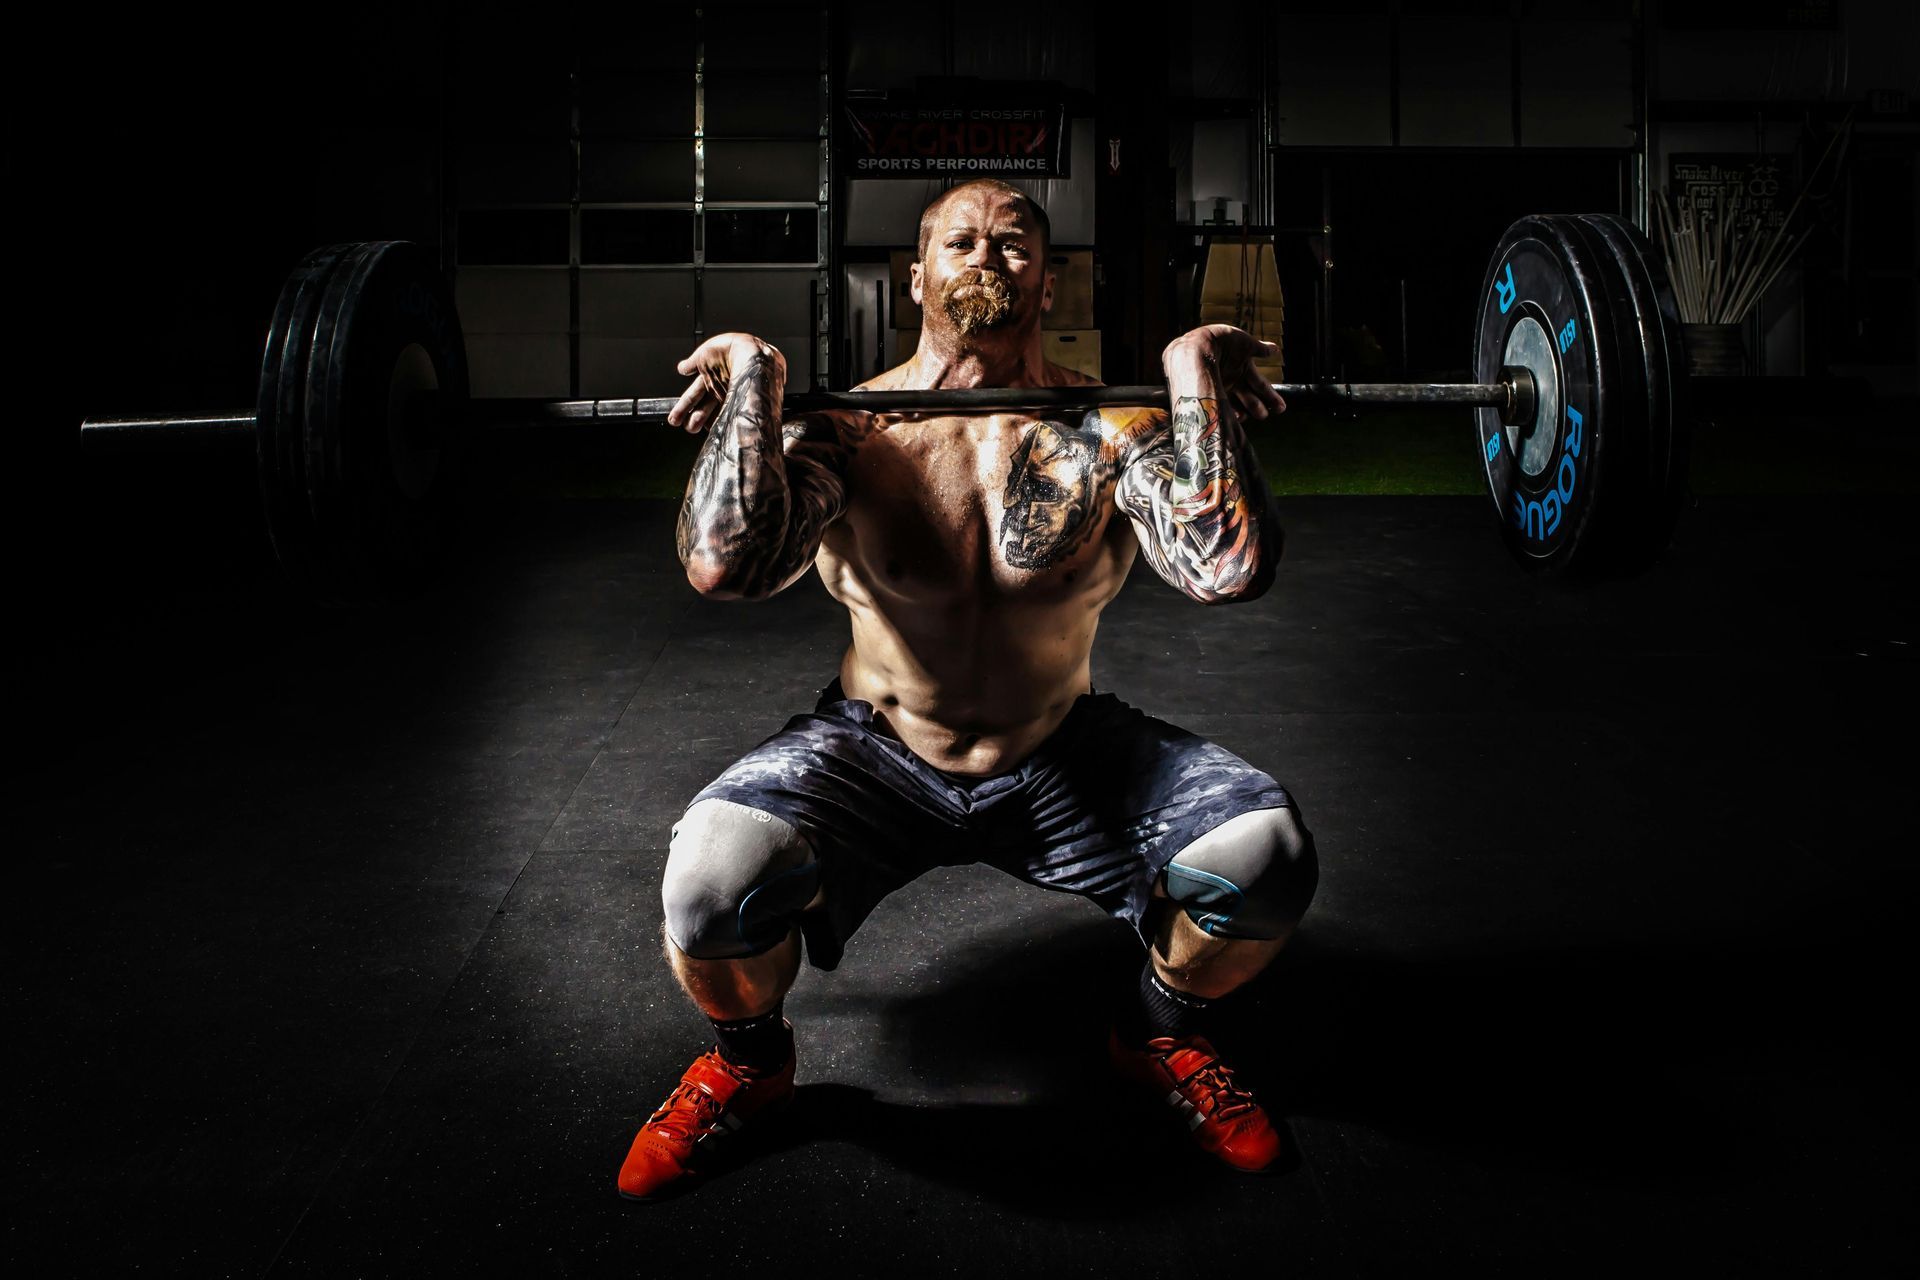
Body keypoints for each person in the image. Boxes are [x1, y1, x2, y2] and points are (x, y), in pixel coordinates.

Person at [619, 179, 1318, 1201]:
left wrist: (1188, 378)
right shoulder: (853, 432)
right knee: (706, 883)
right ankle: (750, 1062)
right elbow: (726, 564)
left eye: (1013, 241)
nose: (986, 257)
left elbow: (1227, 567)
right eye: (960, 241)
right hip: (876, 752)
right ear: (917, 276)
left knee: (1267, 856)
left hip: (1061, 748)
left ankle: (1161, 1033)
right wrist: (754, 387)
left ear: (1047, 275)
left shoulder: (1105, 422)